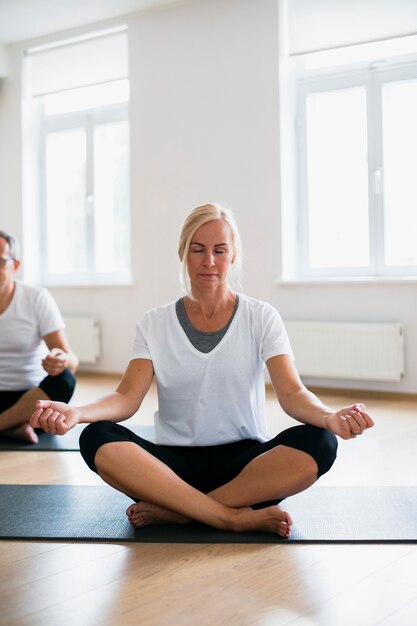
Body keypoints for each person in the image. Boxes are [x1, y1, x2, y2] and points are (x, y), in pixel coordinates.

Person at [31, 204, 374, 537]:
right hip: (170, 470)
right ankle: (229, 518)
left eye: (219, 251)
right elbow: (126, 398)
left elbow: (293, 393)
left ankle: (181, 512)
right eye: (198, 250)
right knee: (95, 436)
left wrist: (330, 417)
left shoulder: (261, 316)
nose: (209, 261)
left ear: (233, 256)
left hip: (246, 470)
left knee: (321, 441)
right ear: (183, 253)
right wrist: (77, 413)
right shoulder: (155, 323)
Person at [0, 229, 78, 443]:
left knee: (65, 380)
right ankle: (12, 426)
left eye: (0, 261)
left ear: (15, 265)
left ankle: (9, 423)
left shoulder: (36, 298)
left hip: (30, 400)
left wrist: (60, 361)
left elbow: (72, 361)